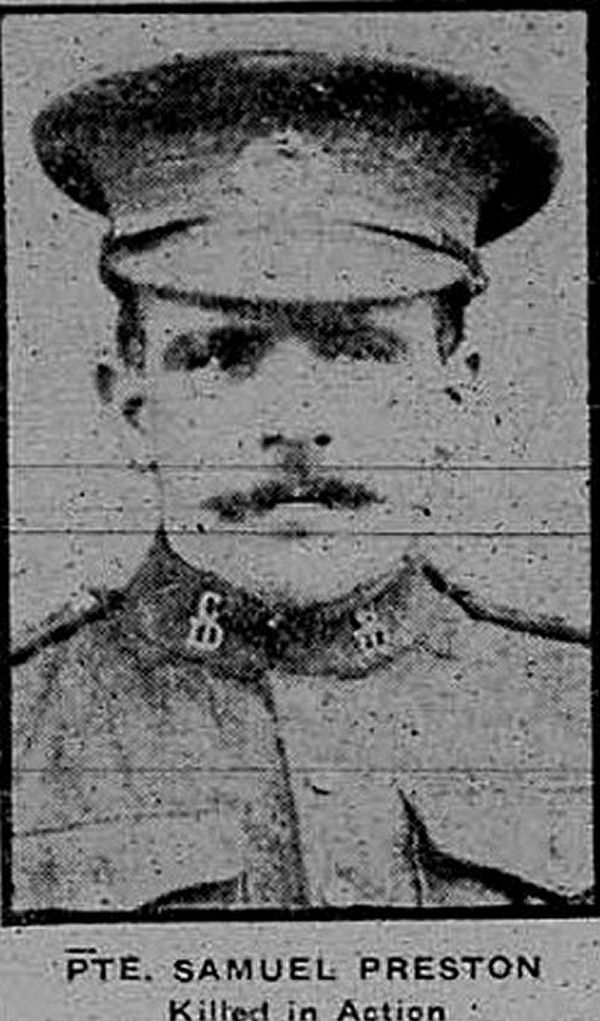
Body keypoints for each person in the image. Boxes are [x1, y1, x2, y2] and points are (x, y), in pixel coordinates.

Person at [10, 50, 592, 913]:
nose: (295, 420)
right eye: (221, 353)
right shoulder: (23, 725)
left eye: (359, 349)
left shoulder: (575, 707)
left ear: (453, 396)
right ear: (131, 404)